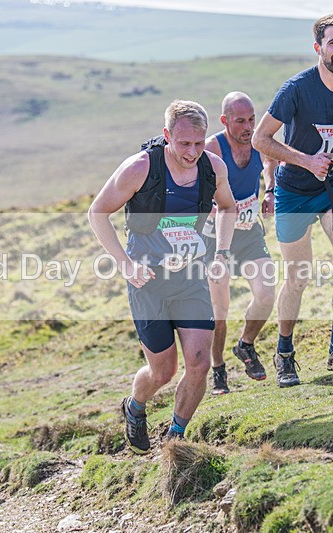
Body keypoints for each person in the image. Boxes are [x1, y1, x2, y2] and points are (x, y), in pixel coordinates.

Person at [88, 100, 236, 454]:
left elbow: (228, 207)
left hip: (190, 279)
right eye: (184, 144)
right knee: (162, 372)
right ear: (167, 135)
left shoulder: (212, 168)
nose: (192, 152)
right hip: (148, 283)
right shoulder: (139, 168)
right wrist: (125, 264)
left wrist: (222, 253)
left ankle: (175, 438)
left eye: (199, 143)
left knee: (199, 363)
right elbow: (98, 213)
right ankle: (135, 406)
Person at [251, 14, 333, 387]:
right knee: (298, 277)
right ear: (318, 48)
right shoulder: (296, 89)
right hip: (294, 189)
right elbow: (260, 139)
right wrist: (306, 160)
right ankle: (284, 354)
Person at [203, 91, 278, 394]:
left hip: (247, 233)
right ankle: (218, 369)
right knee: (219, 313)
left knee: (266, 294)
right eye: (240, 121)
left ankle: (245, 345)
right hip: (215, 239)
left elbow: (271, 160)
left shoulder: (257, 140)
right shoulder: (212, 148)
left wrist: (270, 190)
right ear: (224, 121)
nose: (248, 127)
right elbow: (194, 183)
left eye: (251, 119)